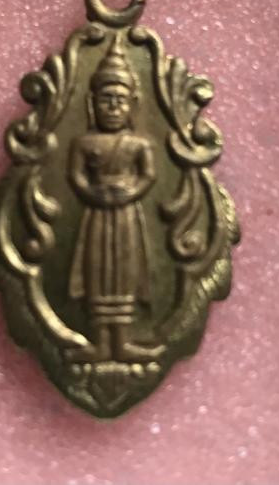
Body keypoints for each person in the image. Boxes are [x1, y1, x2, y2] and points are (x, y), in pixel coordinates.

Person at [66, 35, 163, 363]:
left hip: (126, 216)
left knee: (124, 273)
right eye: (106, 100)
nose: (113, 108)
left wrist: (131, 192)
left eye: (120, 101)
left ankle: (122, 343)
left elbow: (148, 176)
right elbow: (76, 176)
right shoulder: (83, 143)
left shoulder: (139, 144)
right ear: (92, 103)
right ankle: (98, 342)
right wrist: (92, 193)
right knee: (97, 273)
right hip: (96, 215)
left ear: (133, 104)